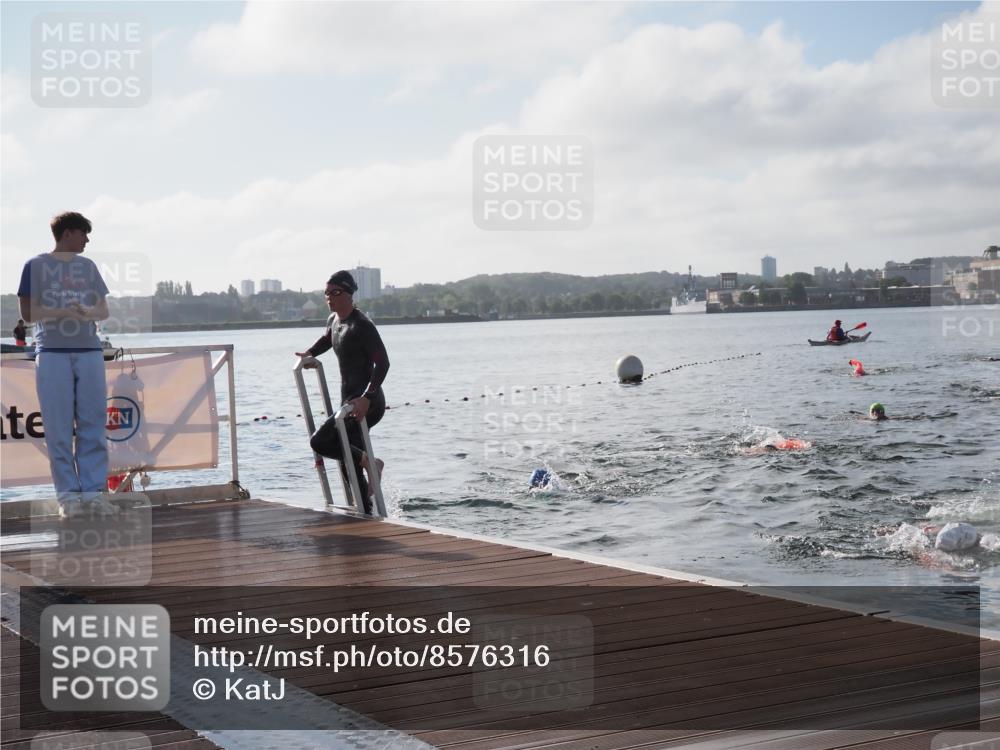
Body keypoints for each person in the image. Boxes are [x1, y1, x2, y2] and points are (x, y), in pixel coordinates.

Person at [16, 212, 114, 518]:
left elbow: (103, 309)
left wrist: (86, 312)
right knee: (58, 430)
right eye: (84, 233)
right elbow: (29, 314)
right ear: (69, 233)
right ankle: (69, 500)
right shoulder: (34, 266)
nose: (87, 240)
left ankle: (94, 495)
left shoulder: (88, 267)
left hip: (89, 351)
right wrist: (63, 311)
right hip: (52, 353)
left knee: (93, 426)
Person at [296, 270, 390, 514]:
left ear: (349, 294)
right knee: (348, 460)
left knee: (321, 441)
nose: (329, 298)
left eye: (335, 292)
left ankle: (371, 464)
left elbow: (383, 363)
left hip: (366, 402)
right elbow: (328, 339)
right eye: (326, 293)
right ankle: (367, 511)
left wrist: (366, 398)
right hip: (348, 401)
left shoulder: (362, 326)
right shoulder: (334, 321)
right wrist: (310, 354)